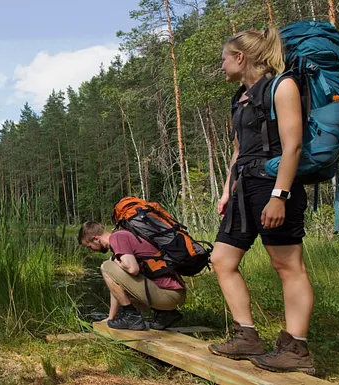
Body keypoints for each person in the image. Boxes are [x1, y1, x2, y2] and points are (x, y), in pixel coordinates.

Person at [209, 26, 315, 374]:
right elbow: (238, 151)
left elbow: (293, 146)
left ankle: (296, 349)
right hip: (244, 189)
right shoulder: (239, 97)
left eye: (224, 58)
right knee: (222, 260)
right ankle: (247, 336)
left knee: (288, 266)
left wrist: (279, 196)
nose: (221, 66)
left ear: (240, 57)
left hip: (273, 186)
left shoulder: (281, 87)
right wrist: (227, 190)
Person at [78, 221, 186, 331]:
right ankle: (165, 314)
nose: (91, 250)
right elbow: (116, 287)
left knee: (106, 266)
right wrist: (111, 317)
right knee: (114, 275)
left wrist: (116, 262)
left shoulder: (117, 238)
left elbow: (133, 269)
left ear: (96, 239)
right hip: (173, 296)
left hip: (169, 295)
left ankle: (132, 317)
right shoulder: (122, 235)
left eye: (89, 246)